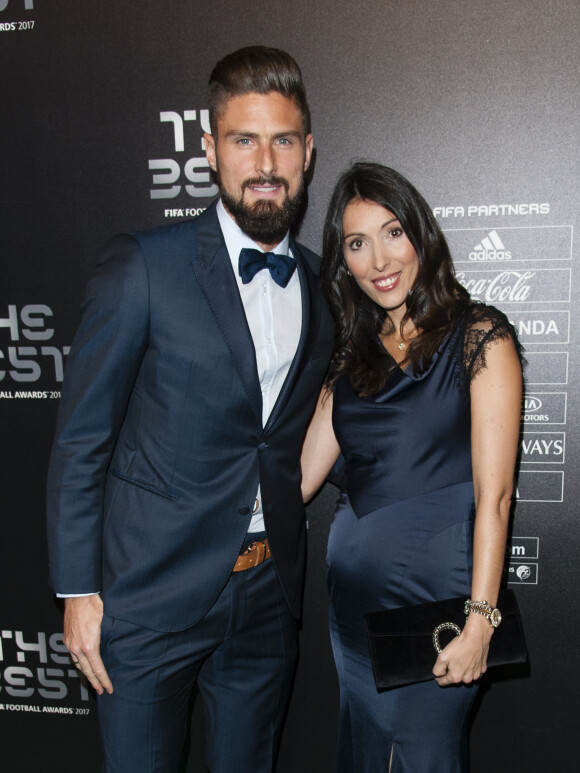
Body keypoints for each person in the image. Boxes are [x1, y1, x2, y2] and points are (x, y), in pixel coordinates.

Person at [46, 46, 334, 773]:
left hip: (268, 594)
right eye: (244, 139)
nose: (265, 160)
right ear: (209, 151)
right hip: (150, 597)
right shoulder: (143, 266)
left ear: (308, 151)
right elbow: (82, 439)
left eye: (282, 139)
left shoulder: (322, 284)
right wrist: (78, 591)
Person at [301, 162, 523, 772]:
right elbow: (298, 479)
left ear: (421, 234)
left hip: (437, 611)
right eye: (356, 243)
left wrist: (480, 622)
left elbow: (496, 495)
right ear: (343, 261)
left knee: (422, 757)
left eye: (392, 231)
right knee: (368, 756)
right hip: (352, 615)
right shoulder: (351, 359)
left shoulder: (479, 337)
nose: (379, 259)